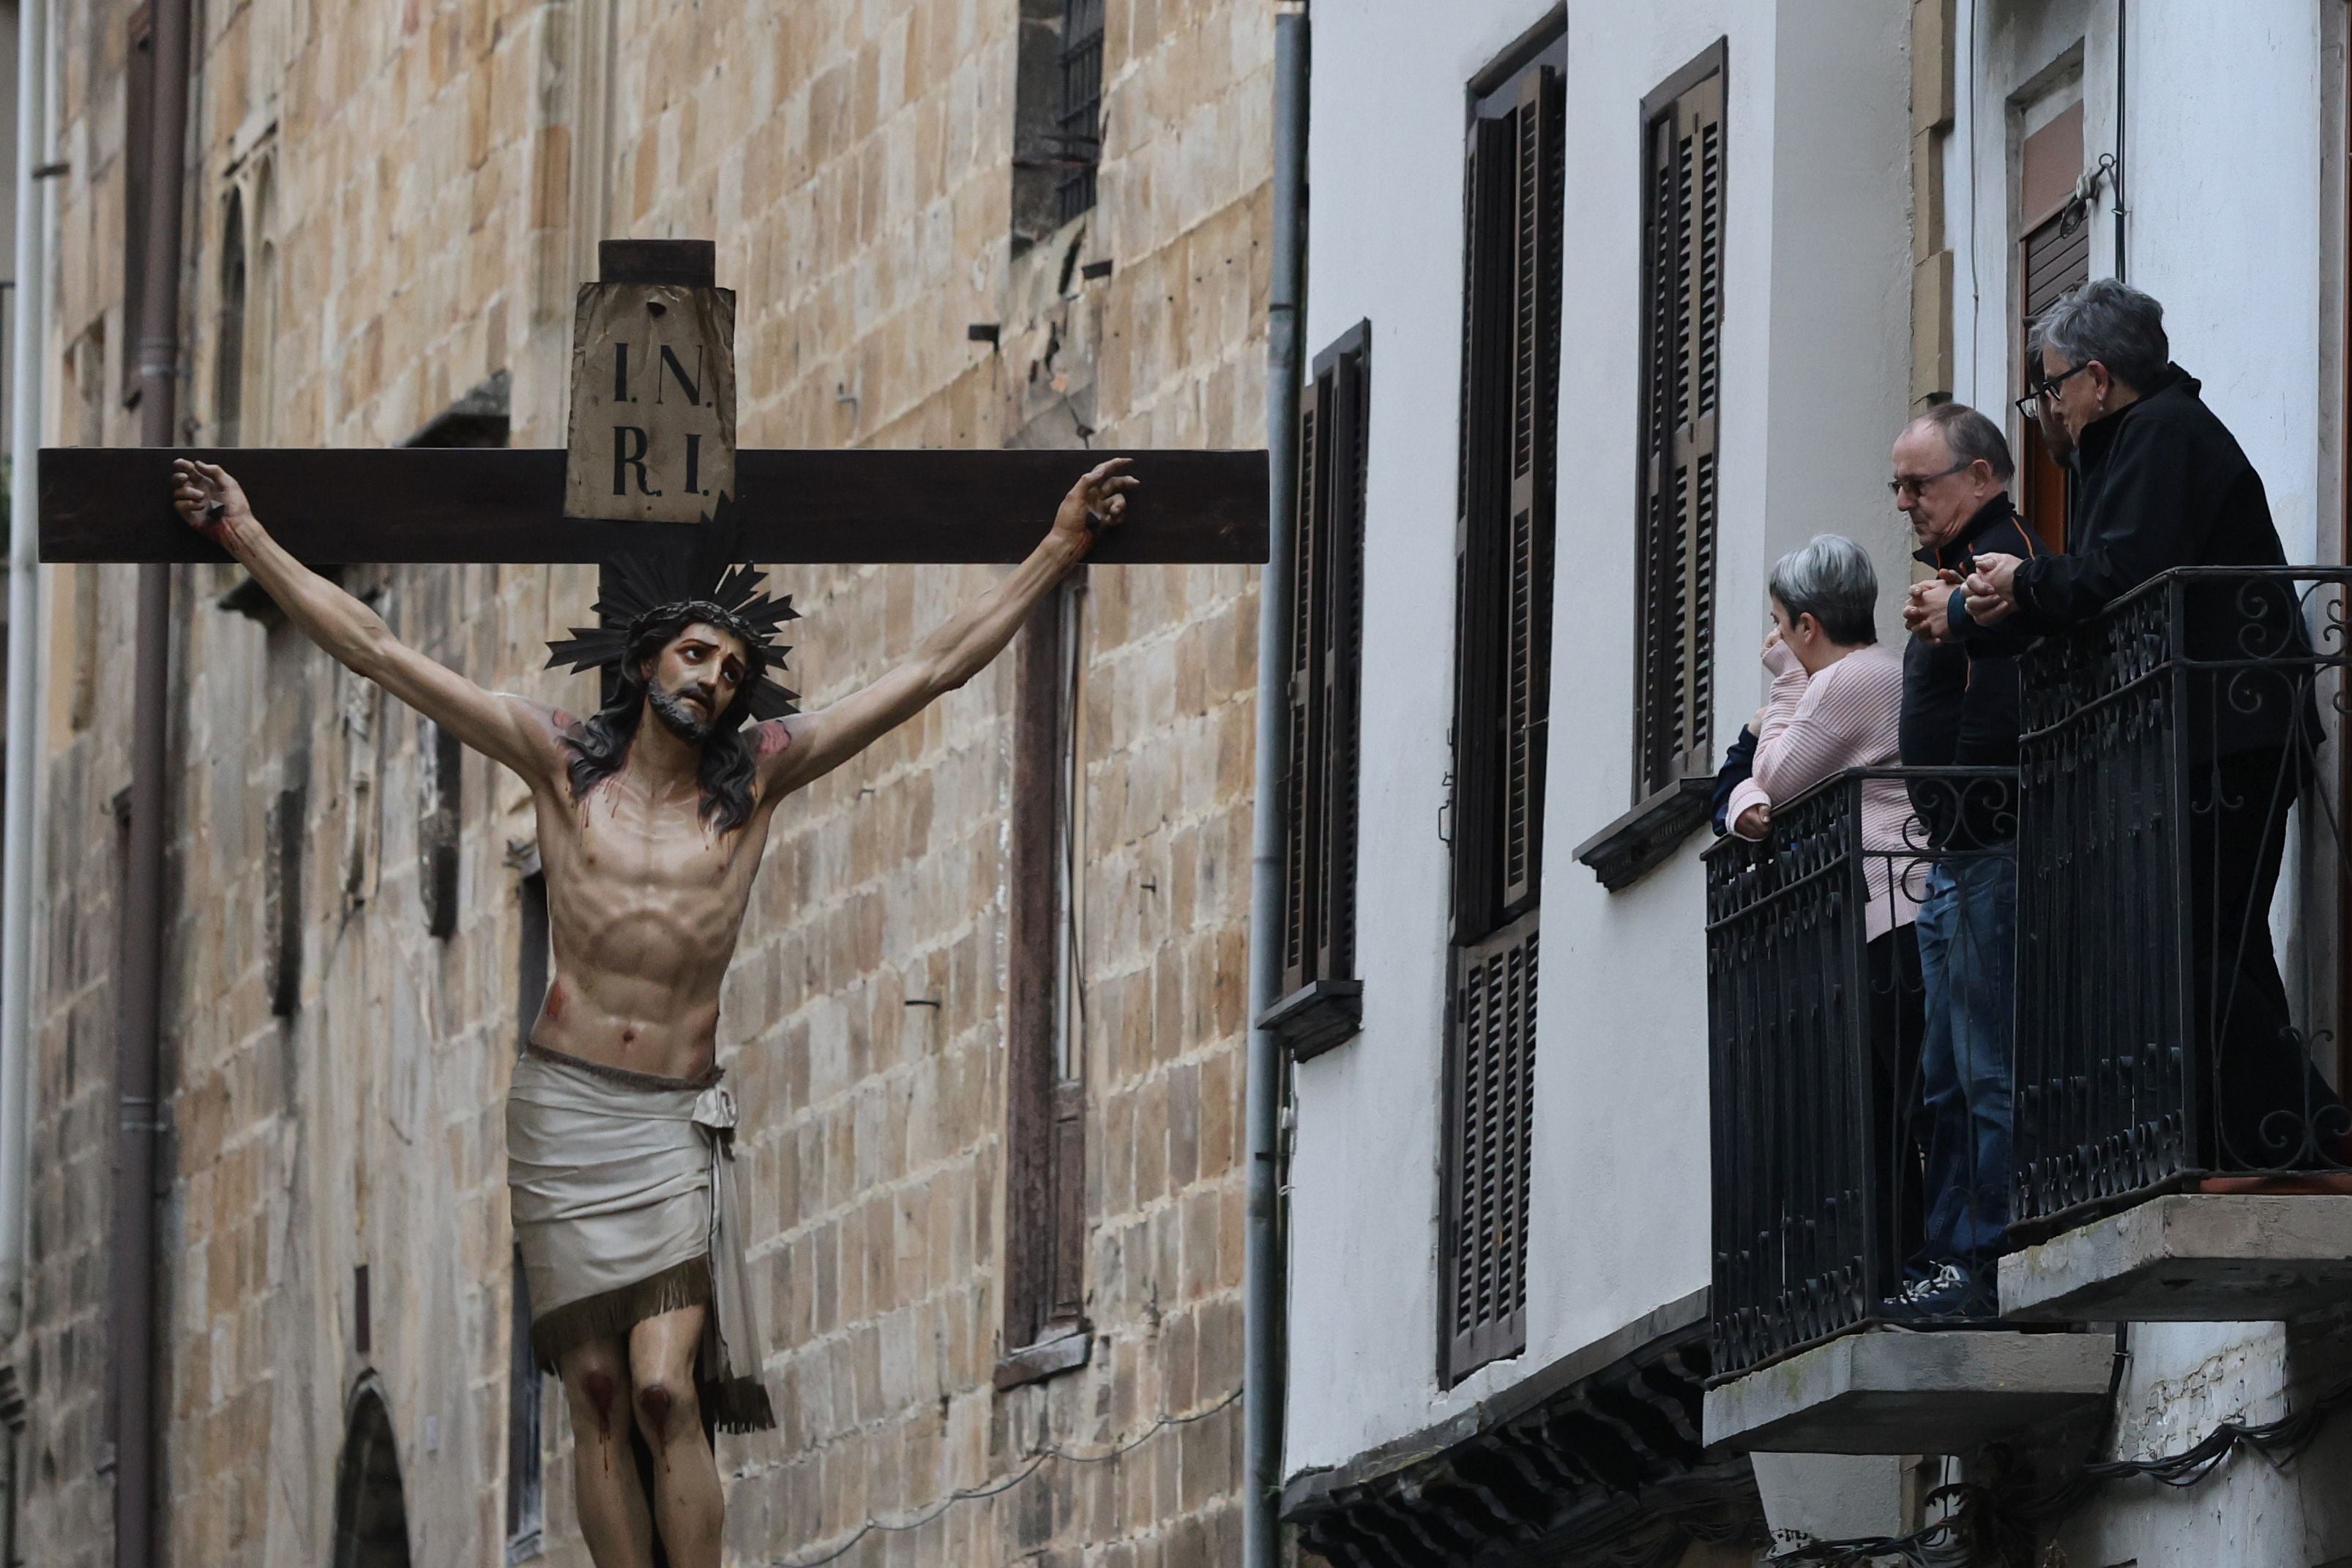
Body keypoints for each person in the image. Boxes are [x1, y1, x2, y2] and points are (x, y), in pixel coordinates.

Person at [169, 455, 1139, 1568]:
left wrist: (1059, 547)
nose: (714, 678)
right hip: (563, 1111)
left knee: (665, 1387)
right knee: (593, 1388)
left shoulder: (760, 780)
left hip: (671, 1120)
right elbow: (380, 651)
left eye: (732, 667)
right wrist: (247, 536)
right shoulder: (557, 762)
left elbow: (930, 670)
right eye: (694, 653)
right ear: (643, 664)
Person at [1961, 277, 2345, 1173]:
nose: (2049, 406)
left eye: (2053, 386)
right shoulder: (2142, 437)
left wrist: (2019, 585)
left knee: (2194, 947)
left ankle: (2312, 1127)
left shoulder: (2162, 434)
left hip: (2226, 731)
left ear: (2097, 379)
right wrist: (1992, 606)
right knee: (2223, 950)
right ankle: (2261, 1138)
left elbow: (2115, 576)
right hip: (2211, 732)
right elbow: (2102, 586)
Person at [1726, 537, 1929, 1264]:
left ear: (1807, 627)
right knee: (1888, 1106)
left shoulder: (1851, 682)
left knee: (1905, 1105)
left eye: (1781, 625)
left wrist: (1784, 686)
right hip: (1886, 916)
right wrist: (1744, 793)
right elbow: (1764, 782)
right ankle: (1906, 1264)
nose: (1775, 641)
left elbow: (1776, 776)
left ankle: (1921, 1261)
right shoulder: (1869, 676)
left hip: (1895, 914)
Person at [1886, 403, 2040, 1318]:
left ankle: (1983, 1261)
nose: (1906, 501)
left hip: (1991, 846)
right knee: (1947, 1075)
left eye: (1920, 483)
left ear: (1982, 476)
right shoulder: (1954, 571)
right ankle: (1950, 1255)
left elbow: (2011, 693)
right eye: (1898, 486)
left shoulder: (2000, 561)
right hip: (1956, 856)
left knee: (1982, 1070)